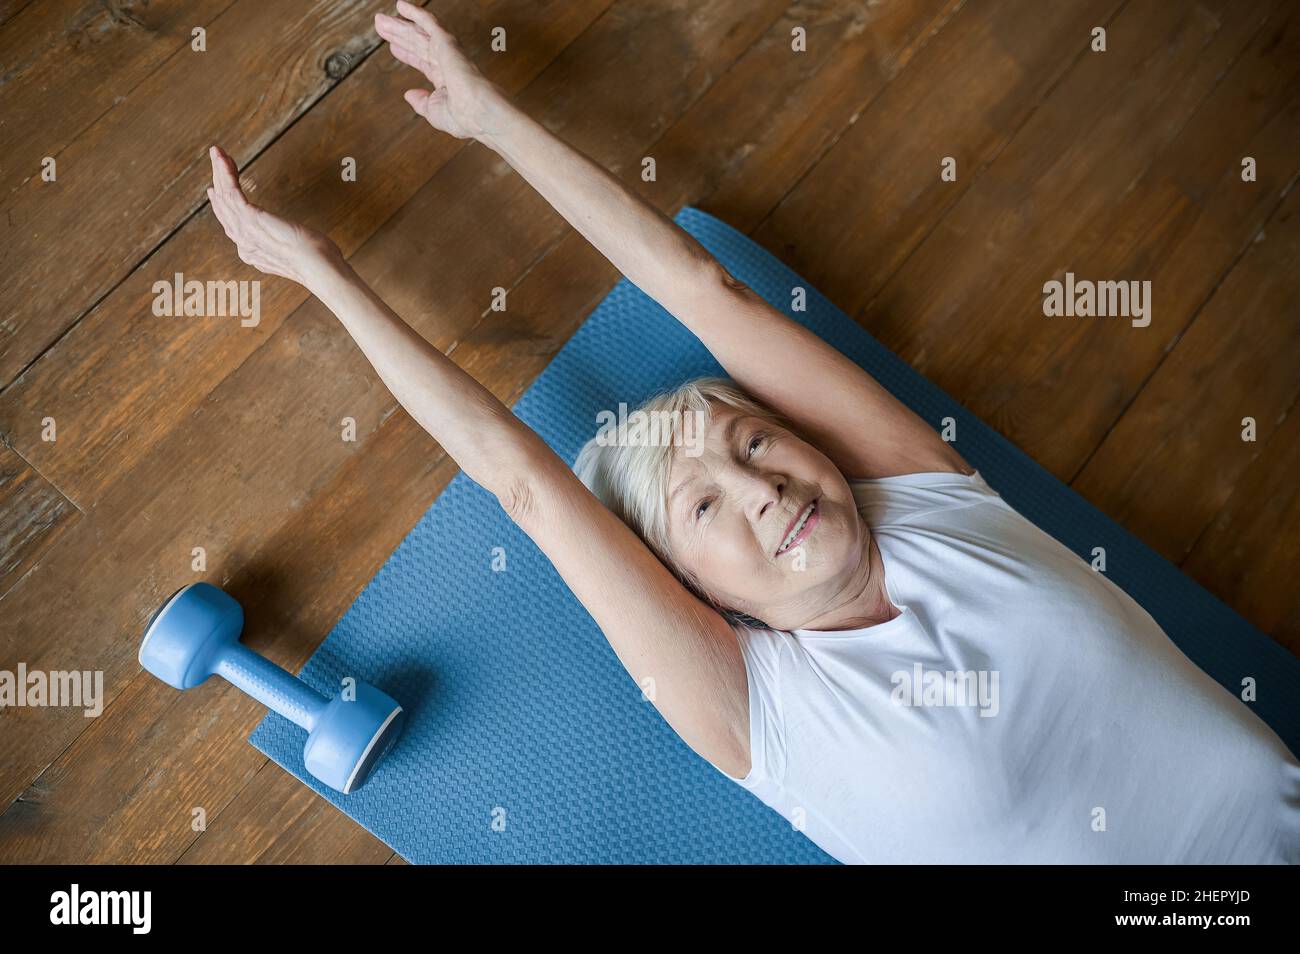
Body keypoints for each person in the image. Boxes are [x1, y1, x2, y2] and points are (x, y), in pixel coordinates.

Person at [204, 0, 1299, 863]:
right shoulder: (759, 714)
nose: (758, 486)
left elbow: (703, 292)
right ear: (696, 595)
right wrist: (323, 274)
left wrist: (490, 117)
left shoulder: (928, 498)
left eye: (756, 445)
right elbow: (525, 486)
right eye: (704, 508)